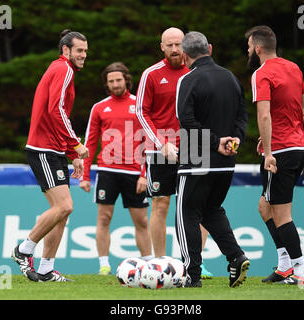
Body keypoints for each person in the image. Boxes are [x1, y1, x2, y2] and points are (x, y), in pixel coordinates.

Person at [11, 29, 89, 282]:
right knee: (64, 206)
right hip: (43, 149)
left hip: (53, 149)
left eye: (85, 51)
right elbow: (55, 110)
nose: (83, 55)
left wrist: (70, 153)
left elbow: (58, 114)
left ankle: (45, 269)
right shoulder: (63, 69)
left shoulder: (62, 70)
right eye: (79, 50)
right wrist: (76, 145)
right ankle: (23, 250)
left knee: (63, 211)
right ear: (66, 50)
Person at [136, 27, 213, 277]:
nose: (175, 49)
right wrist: (160, 143)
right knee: (160, 204)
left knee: (197, 204)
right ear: (162, 47)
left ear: (186, 45)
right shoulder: (151, 74)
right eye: (169, 45)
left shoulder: (198, 72)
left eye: (178, 44)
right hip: (160, 150)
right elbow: (141, 112)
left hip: (194, 146)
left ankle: (194, 264)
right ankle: (160, 263)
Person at [176, 31, 249, 288]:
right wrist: (235, 139)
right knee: (211, 211)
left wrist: (215, 141)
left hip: (195, 161)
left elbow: (186, 121)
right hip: (227, 162)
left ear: (184, 56)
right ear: (210, 48)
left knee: (187, 214)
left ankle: (191, 275)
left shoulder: (188, 79)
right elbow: (242, 116)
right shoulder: (231, 77)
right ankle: (236, 256)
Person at [246, 25, 304, 285]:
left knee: (282, 214)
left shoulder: (261, 73)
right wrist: (283, 131)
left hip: (280, 152)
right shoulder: (294, 68)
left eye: (249, 46)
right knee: (265, 206)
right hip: (298, 147)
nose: (248, 50)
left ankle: (301, 272)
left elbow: (263, 114)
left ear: (258, 48)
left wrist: (269, 151)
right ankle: (285, 265)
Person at [79, 62, 153, 275]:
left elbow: (150, 141)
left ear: (126, 80)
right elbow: (91, 142)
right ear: (107, 84)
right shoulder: (99, 107)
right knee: (103, 218)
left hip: (134, 173)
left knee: (141, 220)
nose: (115, 84)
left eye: (118, 80)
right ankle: (104, 264)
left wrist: (144, 174)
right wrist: (85, 175)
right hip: (107, 172)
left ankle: (148, 264)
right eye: (111, 81)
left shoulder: (139, 105)